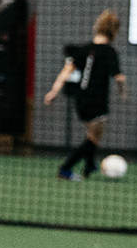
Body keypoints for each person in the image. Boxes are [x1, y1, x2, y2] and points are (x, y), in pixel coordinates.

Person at [44, 10, 127, 180]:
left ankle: (90, 166)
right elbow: (118, 77)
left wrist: (53, 92)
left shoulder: (83, 49)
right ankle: (66, 168)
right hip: (97, 100)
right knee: (95, 137)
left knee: (91, 135)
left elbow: (66, 71)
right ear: (114, 32)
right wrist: (123, 91)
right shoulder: (109, 52)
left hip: (81, 100)